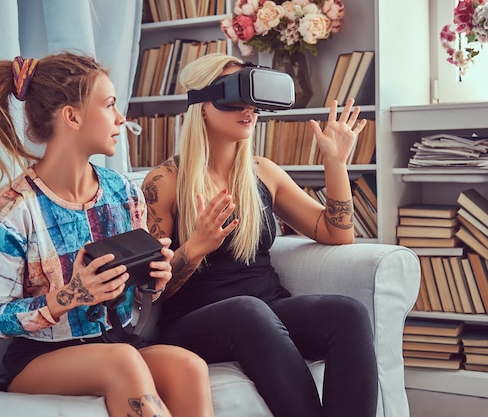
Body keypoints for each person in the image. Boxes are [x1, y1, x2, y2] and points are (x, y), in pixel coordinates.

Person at [0, 51, 215, 417]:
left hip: (114, 341)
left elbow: (138, 292)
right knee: (122, 361)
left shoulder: (124, 192)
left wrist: (154, 279)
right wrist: (68, 297)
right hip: (41, 358)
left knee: (189, 366)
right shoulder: (10, 212)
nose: (120, 118)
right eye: (110, 105)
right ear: (72, 116)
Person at [142, 52, 379, 417]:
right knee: (247, 311)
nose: (249, 109)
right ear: (202, 105)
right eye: (236, 98)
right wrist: (195, 248)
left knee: (347, 313)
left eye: (253, 100)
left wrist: (335, 163)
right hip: (195, 323)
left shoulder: (263, 172)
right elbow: (151, 290)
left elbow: (337, 234)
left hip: (267, 310)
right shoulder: (165, 183)